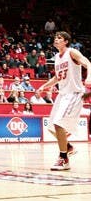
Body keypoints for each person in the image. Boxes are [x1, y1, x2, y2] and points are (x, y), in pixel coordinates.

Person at [36, 31, 91, 171]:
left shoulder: (72, 52)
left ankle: (64, 158)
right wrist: (43, 86)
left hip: (73, 94)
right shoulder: (57, 57)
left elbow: (88, 63)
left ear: (66, 41)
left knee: (58, 123)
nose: (56, 39)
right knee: (50, 127)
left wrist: (89, 78)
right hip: (62, 95)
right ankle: (68, 147)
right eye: (55, 37)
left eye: (59, 38)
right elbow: (57, 78)